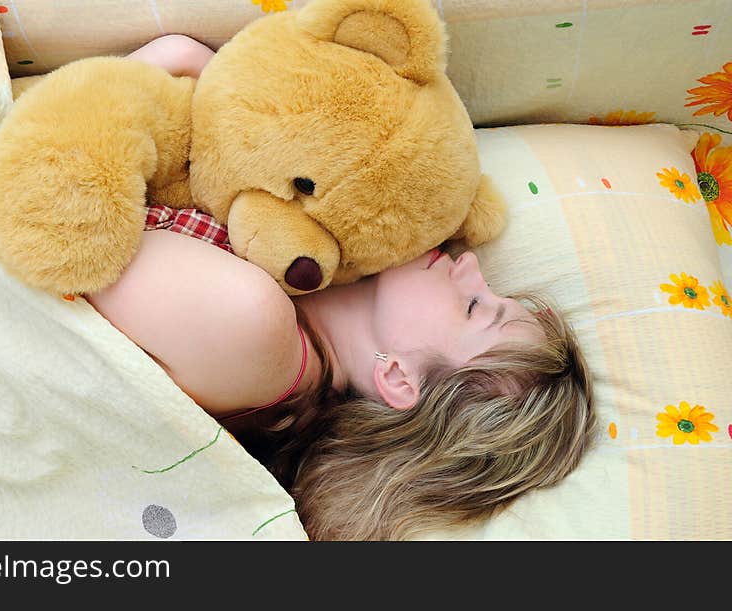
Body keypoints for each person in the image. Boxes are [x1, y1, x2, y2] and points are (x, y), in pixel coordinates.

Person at [84, 34, 598, 541]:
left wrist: (184, 58)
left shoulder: (252, 324)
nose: (470, 269)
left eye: (474, 307)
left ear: (400, 378)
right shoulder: (294, 280)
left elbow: (73, 210)